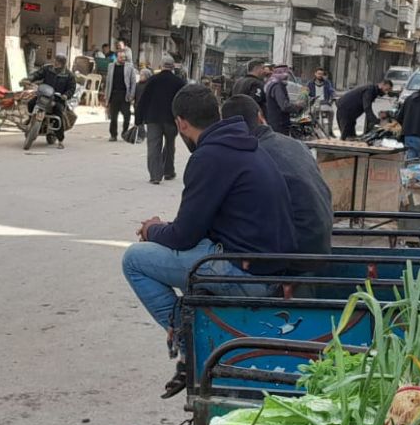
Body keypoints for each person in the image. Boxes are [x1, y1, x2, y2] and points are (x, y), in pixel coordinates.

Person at [122, 86, 297, 395]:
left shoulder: (210, 156)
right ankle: (193, 328)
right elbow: (197, 224)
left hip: (248, 274)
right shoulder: (245, 146)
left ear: (181, 124)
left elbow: (183, 235)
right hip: (267, 265)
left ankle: (187, 339)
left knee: (135, 259)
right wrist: (168, 228)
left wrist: (152, 230)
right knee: (188, 254)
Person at [221, 95, 333, 260]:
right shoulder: (296, 145)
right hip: (320, 244)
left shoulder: (247, 156)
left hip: (291, 254)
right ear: (260, 116)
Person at [136, 57, 186, 184]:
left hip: (153, 118)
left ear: (161, 65)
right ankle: (168, 172)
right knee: (170, 145)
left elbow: (143, 100)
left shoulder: (152, 80)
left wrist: (138, 119)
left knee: (154, 146)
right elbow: (184, 102)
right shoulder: (179, 82)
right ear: (173, 67)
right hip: (172, 119)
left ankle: (155, 176)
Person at [32, 54, 76, 148]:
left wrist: (65, 95)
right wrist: (29, 78)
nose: (55, 64)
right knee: (30, 103)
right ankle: (29, 122)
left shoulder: (69, 75)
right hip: (43, 95)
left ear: (63, 64)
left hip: (57, 99)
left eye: (58, 63)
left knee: (58, 114)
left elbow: (71, 89)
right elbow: (37, 74)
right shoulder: (47, 69)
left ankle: (60, 139)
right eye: (55, 61)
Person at [107, 50, 136, 141]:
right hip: (114, 94)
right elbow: (108, 81)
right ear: (117, 57)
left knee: (127, 116)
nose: (123, 59)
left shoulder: (130, 67)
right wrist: (106, 96)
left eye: (124, 57)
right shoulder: (111, 66)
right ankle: (113, 135)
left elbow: (133, 82)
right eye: (121, 57)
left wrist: (132, 95)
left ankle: (124, 132)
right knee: (113, 117)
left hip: (124, 95)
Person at [263, 65, 301, 135]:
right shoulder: (277, 86)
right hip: (279, 124)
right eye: (285, 73)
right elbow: (284, 106)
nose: (287, 76)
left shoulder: (271, 83)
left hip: (274, 122)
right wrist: (298, 106)